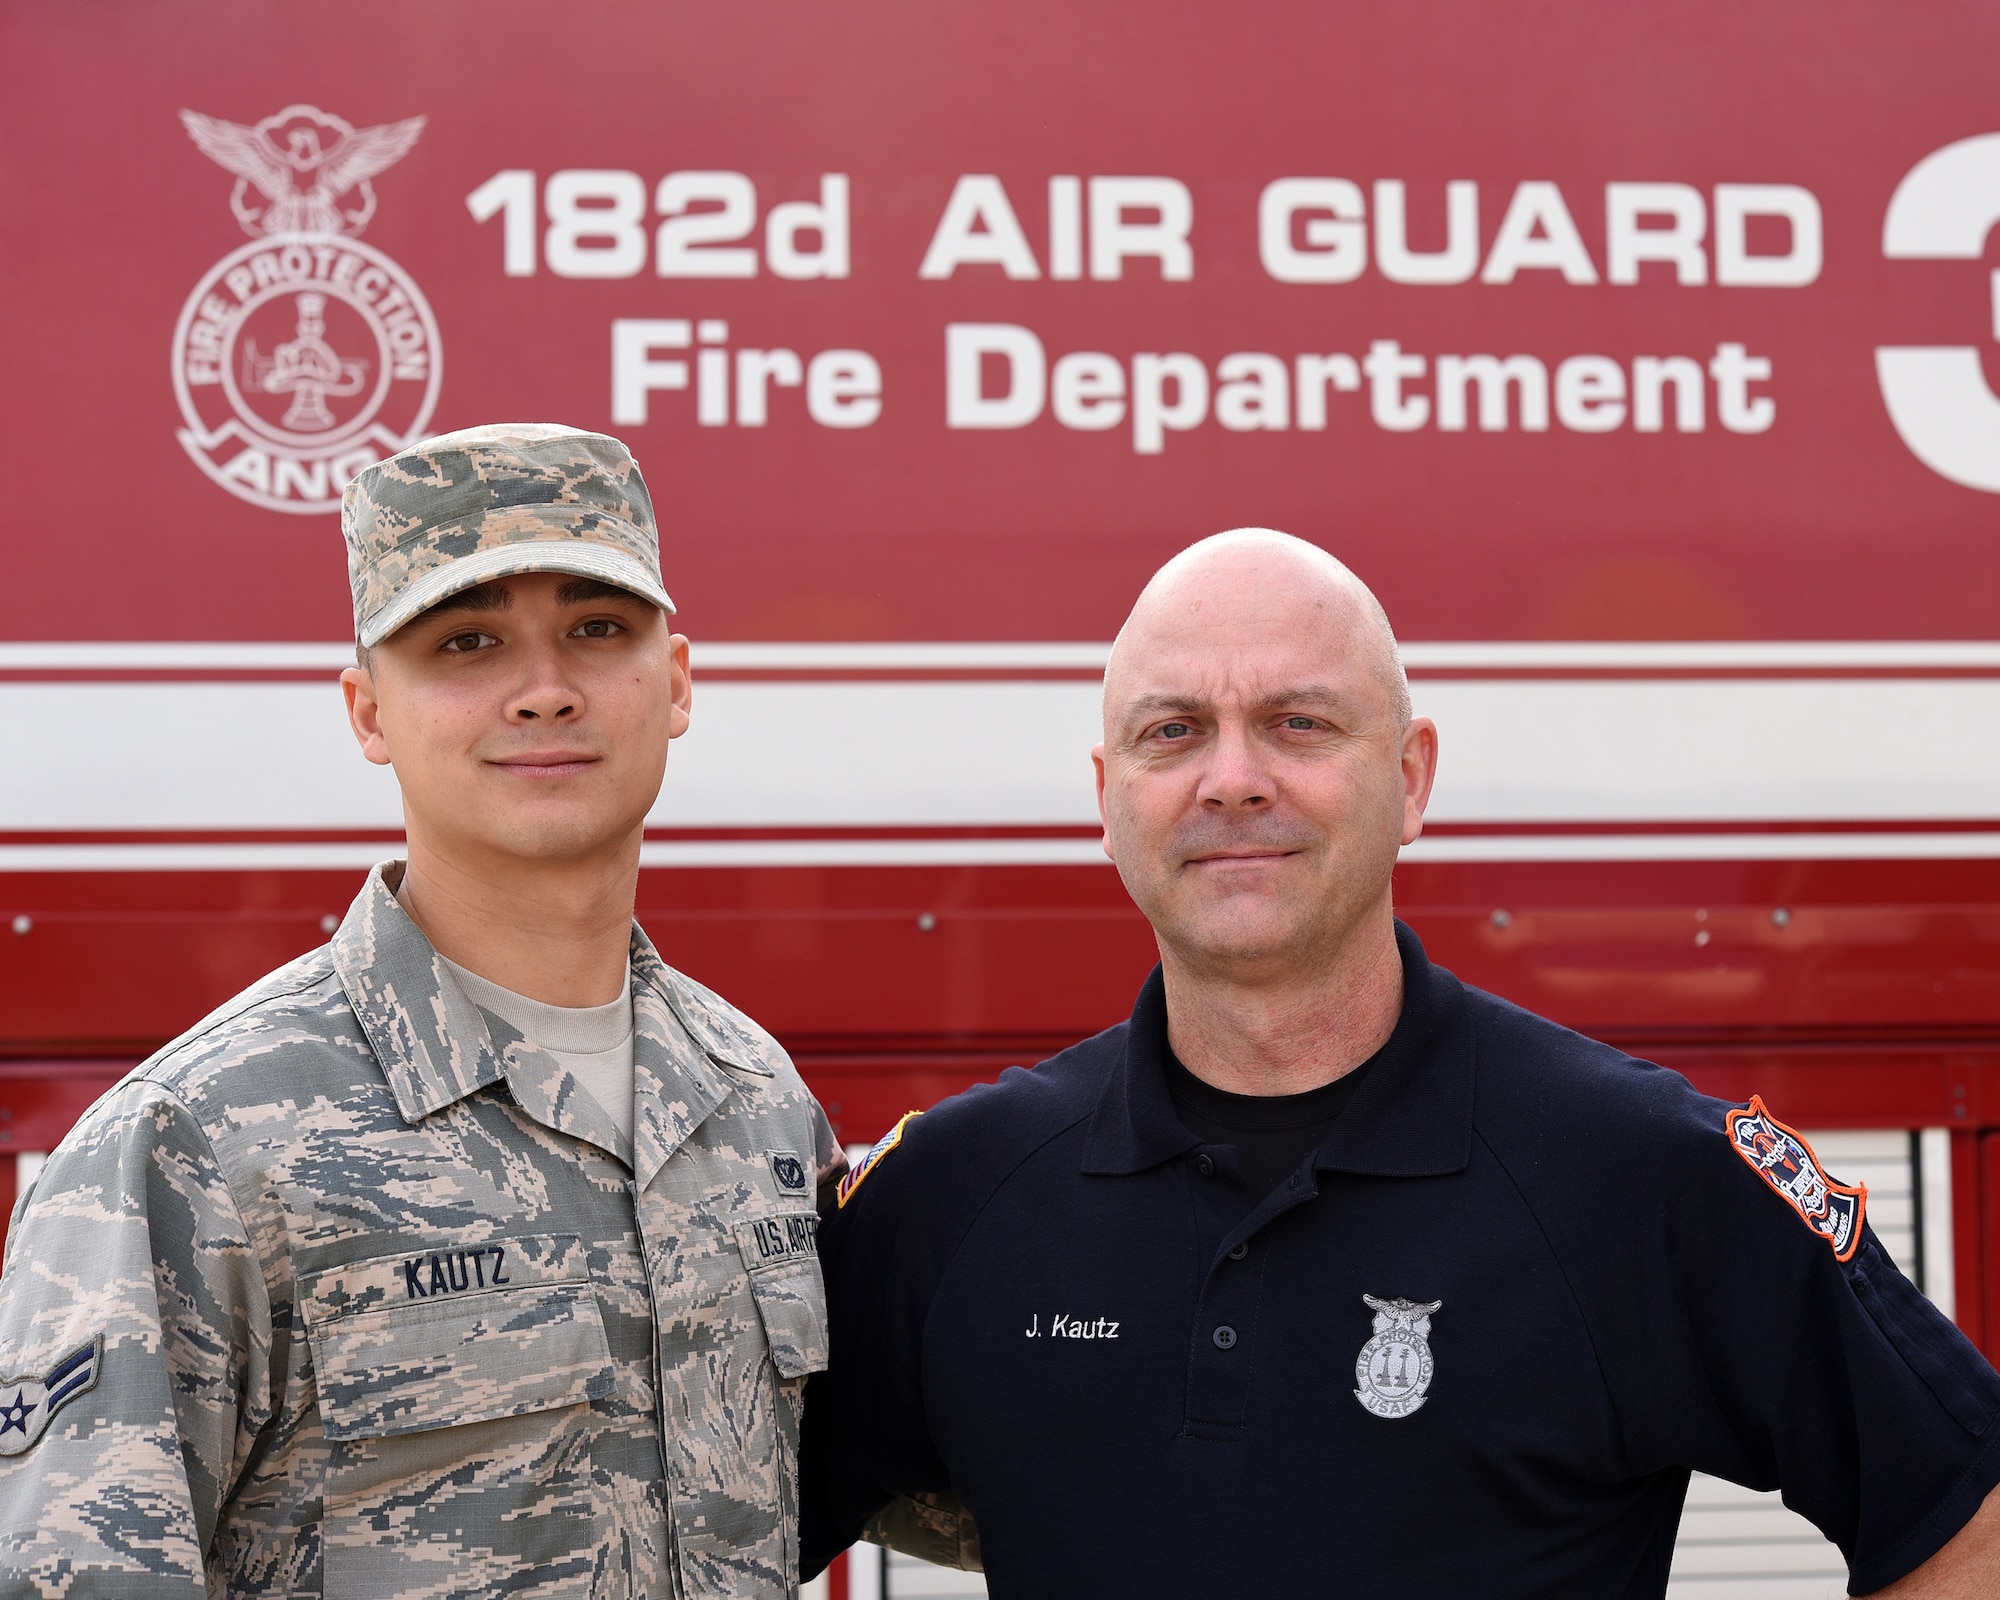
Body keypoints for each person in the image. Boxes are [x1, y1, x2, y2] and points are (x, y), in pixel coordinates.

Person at [803, 528, 2000, 1597]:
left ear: (1411, 778)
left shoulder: (1638, 1175)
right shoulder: (951, 1198)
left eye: (1297, 722)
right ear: (1108, 799)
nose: (1232, 777)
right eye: (1172, 732)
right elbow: (682, 1529)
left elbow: (1960, 1516)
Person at [0, 424, 842, 1598]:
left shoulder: (753, 1102)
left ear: (680, 681)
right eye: (467, 643)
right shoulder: (197, 1144)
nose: (545, 691)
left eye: (597, 630)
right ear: (368, 713)